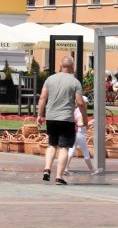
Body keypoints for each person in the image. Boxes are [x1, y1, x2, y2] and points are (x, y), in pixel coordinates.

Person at [37, 56, 86, 186]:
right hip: (66, 119)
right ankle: (59, 177)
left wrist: (39, 115)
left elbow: (42, 98)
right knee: (64, 147)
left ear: (61, 65)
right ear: (72, 67)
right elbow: (80, 103)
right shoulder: (75, 82)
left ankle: (47, 168)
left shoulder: (50, 79)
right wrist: (85, 117)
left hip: (51, 117)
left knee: (52, 144)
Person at [70, 95, 99, 175]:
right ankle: (92, 170)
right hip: (80, 133)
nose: (86, 105)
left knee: (71, 150)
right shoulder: (81, 113)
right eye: (86, 103)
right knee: (86, 152)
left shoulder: (75, 110)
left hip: (75, 132)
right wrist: (89, 122)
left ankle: (65, 168)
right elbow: (80, 123)